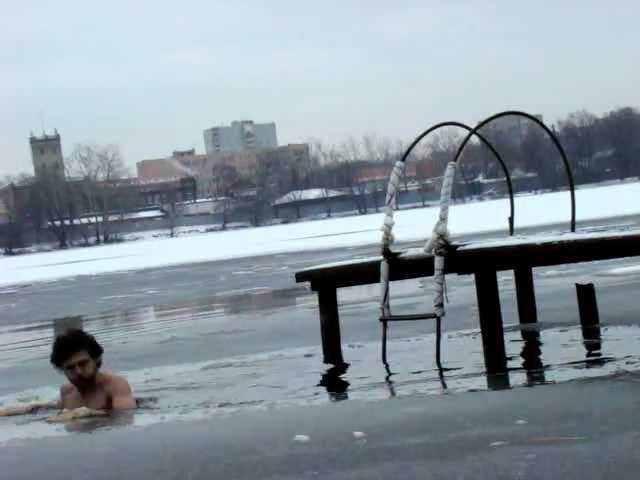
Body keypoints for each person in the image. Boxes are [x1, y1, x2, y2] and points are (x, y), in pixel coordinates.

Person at [0, 328, 135, 418]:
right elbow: (52, 408)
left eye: (83, 363)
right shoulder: (67, 392)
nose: (78, 371)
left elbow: (125, 417)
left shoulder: (115, 386)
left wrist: (86, 414)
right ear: (62, 370)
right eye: (70, 368)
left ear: (96, 360)